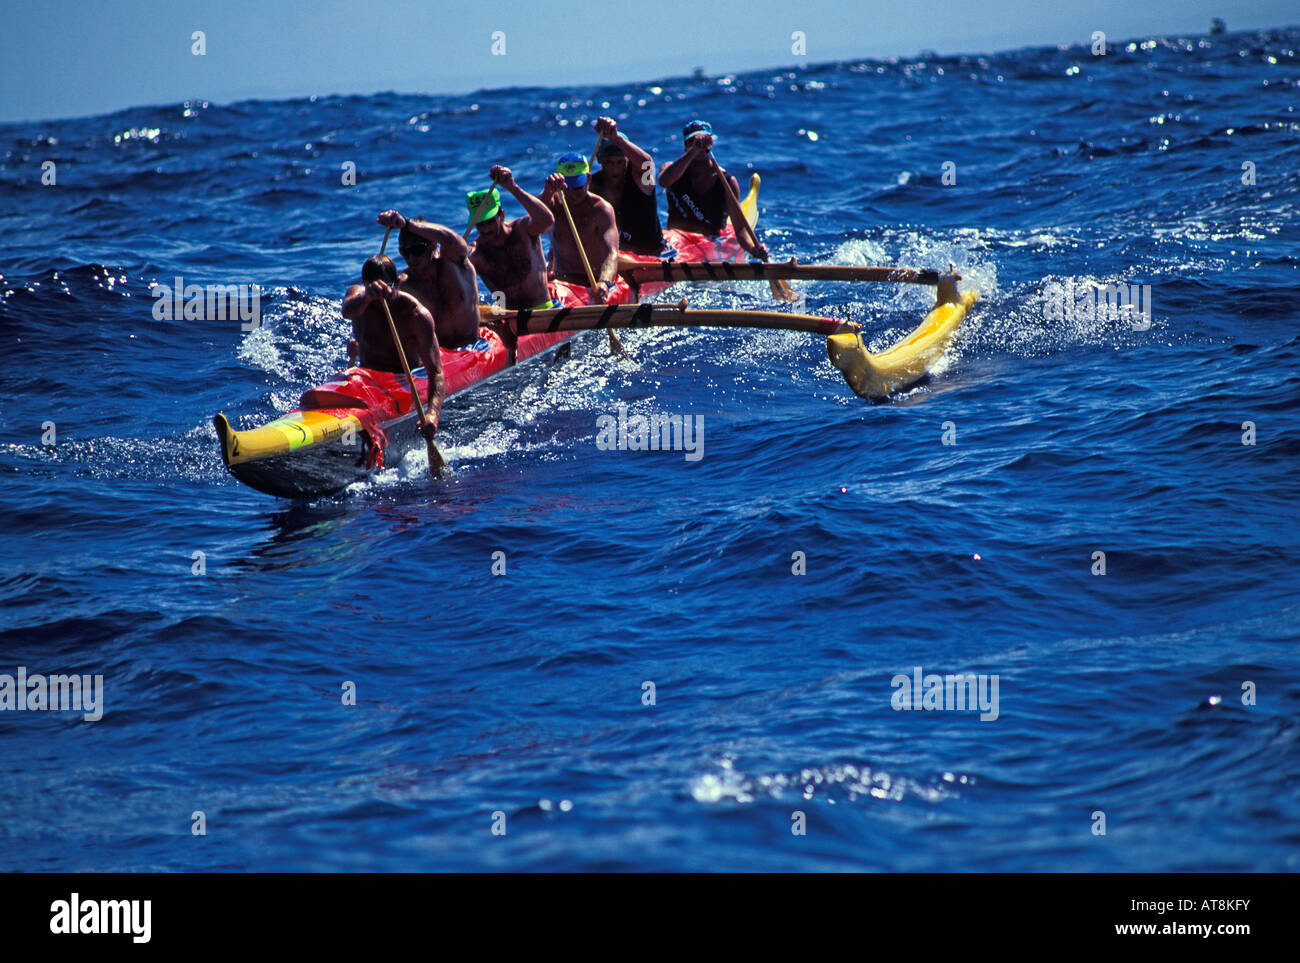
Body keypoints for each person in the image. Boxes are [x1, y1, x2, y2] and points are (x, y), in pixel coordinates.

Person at [341, 255, 444, 436]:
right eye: (373, 290)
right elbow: (347, 312)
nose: (380, 298)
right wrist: (367, 296)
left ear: (396, 283)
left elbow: (436, 373)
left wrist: (432, 414)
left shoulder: (415, 313)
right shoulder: (358, 297)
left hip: (404, 377)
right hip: (366, 377)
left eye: (386, 289)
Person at [659, 120, 768, 259]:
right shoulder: (670, 169)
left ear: (711, 144)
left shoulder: (726, 182)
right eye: (692, 141)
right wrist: (694, 151)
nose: (699, 146)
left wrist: (754, 250)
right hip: (675, 238)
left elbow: (740, 232)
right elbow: (664, 182)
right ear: (685, 146)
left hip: (709, 242)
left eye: (705, 142)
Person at [373, 210, 480, 349]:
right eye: (405, 252)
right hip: (442, 356)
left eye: (417, 250)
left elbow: (450, 239)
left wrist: (407, 224)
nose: (411, 258)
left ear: (433, 245)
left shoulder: (454, 261)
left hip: (474, 346)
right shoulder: (404, 284)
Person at [467, 165, 556, 310]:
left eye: (490, 221)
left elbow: (547, 221)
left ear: (501, 214)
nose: (485, 229)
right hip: (508, 317)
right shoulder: (476, 253)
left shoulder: (523, 229)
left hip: (543, 309)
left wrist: (512, 187)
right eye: (479, 224)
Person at [540, 152, 620, 303]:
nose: (572, 193)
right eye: (567, 188)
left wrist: (604, 282)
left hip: (592, 282)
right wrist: (547, 191)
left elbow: (612, 253)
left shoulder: (601, 209)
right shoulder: (552, 205)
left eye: (577, 187)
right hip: (562, 283)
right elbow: (537, 223)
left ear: (588, 179)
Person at [589, 117, 664, 256]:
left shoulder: (641, 179)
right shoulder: (591, 183)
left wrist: (616, 138)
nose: (615, 170)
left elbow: (648, 164)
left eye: (620, 162)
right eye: (609, 163)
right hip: (615, 256)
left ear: (628, 159)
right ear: (599, 160)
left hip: (651, 255)